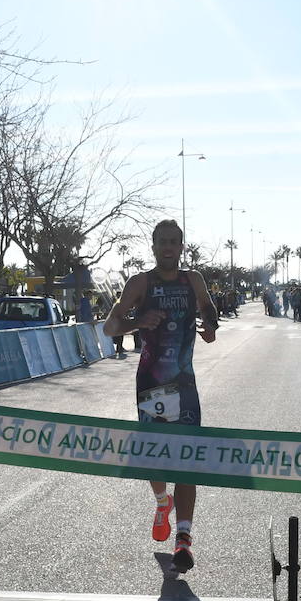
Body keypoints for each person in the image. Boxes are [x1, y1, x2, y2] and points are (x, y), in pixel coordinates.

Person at [102, 219, 219, 572]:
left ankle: (183, 538)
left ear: (182, 246)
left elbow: (208, 307)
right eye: (162, 242)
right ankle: (161, 500)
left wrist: (210, 326)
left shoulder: (192, 279)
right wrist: (138, 322)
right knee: (154, 458)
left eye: (174, 241)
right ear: (152, 246)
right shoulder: (141, 283)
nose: (168, 247)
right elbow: (110, 327)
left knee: (187, 458)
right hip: (151, 383)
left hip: (184, 384)